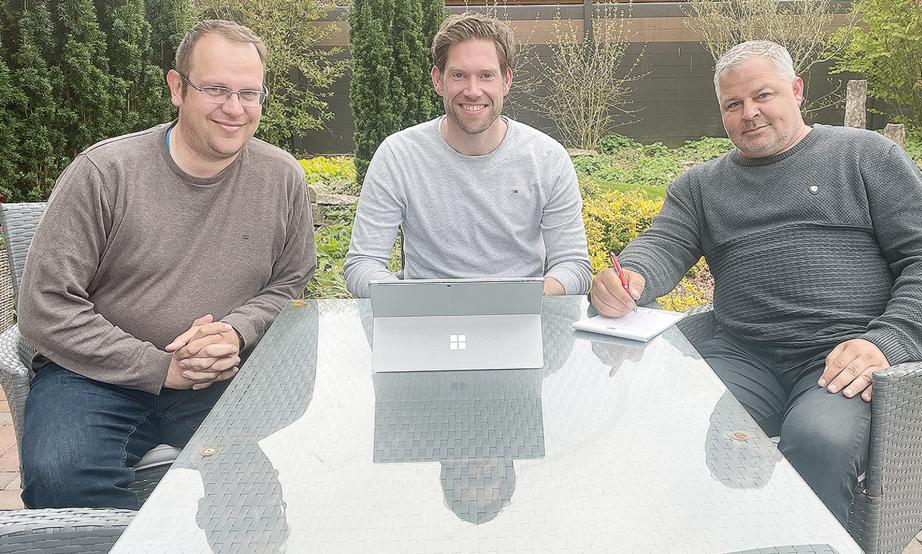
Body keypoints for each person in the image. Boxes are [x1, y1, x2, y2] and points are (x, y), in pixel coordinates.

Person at [590, 40, 922, 526]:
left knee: (819, 439)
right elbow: (663, 243)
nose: (750, 113)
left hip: (840, 356)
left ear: (796, 90)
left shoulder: (865, 156)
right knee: (673, 422)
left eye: (763, 95)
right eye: (733, 104)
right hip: (744, 354)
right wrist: (629, 276)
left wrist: (887, 342)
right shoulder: (701, 187)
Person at [17, 19, 316, 510]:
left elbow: (291, 279)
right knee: (61, 480)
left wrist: (235, 332)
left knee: (257, 502)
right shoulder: (103, 174)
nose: (235, 109)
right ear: (177, 88)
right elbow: (44, 305)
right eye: (216, 89)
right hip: (93, 376)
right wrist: (160, 367)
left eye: (249, 93)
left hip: (216, 376)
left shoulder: (280, 176)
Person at [343, 13, 591, 298]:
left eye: (486, 76)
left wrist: (519, 299)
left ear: (506, 81)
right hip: (425, 321)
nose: (473, 91)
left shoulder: (547, 158)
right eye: (459, 75)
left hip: (521, 322)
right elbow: (363, 263)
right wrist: (409, 302)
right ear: (439, 80)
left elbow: (573, 266)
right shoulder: (398, 156)